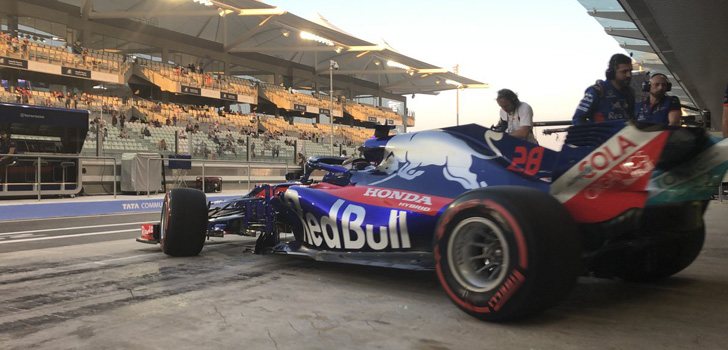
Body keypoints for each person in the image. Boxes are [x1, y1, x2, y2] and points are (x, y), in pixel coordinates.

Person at [573, 53, 635, 125]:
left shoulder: (629, 93)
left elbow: (632, 118)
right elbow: (577, 119)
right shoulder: (596, 91)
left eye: (630, 71)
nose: (629, 75)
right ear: (612, 73)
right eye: (624, 72)